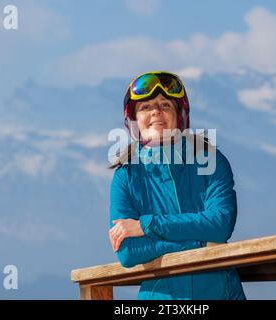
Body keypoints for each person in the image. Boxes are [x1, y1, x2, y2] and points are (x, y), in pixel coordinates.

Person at [108, 71, 246, 300]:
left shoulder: (210, 161)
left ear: (179, 116)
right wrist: (199, 242)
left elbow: (220, 225)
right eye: (145, 107)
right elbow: (128, 252)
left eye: (165, 105)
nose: (156, 112)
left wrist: (147, 225)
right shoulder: (127, 175)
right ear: (133, 121)